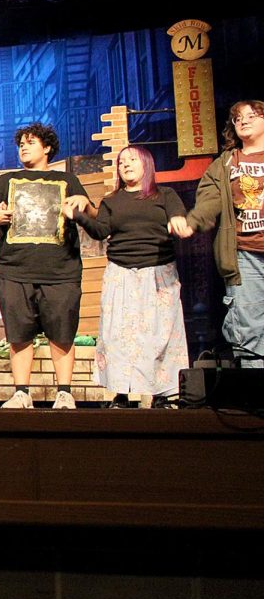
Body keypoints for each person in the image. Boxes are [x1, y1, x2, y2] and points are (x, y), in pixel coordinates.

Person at [0, 123, 92, 409]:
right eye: (21, 144)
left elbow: (94, 214)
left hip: (60, 270)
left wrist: (85, 205)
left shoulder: (67, 180)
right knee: (18, 334)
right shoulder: (7, 179)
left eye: (30, 142)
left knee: (62, 333)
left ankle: (64, 392)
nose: (23, 147)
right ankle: (21, 392)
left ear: (47, 147)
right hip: (15, 269)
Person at [68, 146, 188, 406]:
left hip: (158, 271)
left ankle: (162, 395)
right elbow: (100, 231)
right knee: (117, 335)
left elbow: (179, 216)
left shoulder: (165, 195)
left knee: (159, 333)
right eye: (121, 162)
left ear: (147, 164)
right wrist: (78, 216)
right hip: (121, 273)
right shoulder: (112, 200)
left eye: (132, 160)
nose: (126, 165)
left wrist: (178, 221)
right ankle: (120, 393)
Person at [170, 99, 264, 369]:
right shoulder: (225, 165)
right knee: (249, 327)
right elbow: (209, 200)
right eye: (237, 118)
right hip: (245, 256)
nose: (243, 120)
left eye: (251, 115)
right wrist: (193, 221)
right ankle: (256, 398)